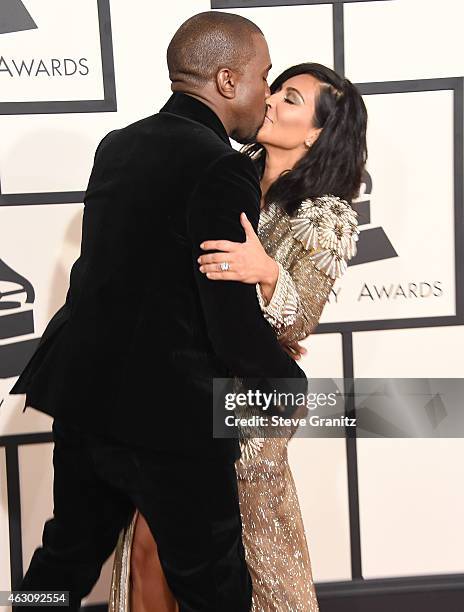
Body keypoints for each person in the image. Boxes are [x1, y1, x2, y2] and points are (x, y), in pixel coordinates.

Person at [9, 12, 307, 612]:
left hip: (86, 396)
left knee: (62, 561)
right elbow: (225, 313)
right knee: (215, 589)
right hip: (171, 416)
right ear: (227, 80)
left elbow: (123, 276)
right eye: (264, 76)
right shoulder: (222, 165)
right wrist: (287, 381)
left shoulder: (119, 143)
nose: (267, 95)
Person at [109, 62, 367, 611]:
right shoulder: (223, 174)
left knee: (256, 558)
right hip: (183, 384)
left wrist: (268, 273)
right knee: (149, 545)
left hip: (248, 403)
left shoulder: (326, 217)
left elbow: (298, 325)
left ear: (318, 132)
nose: (270, 100)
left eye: (291, 98)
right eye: (275, 88)